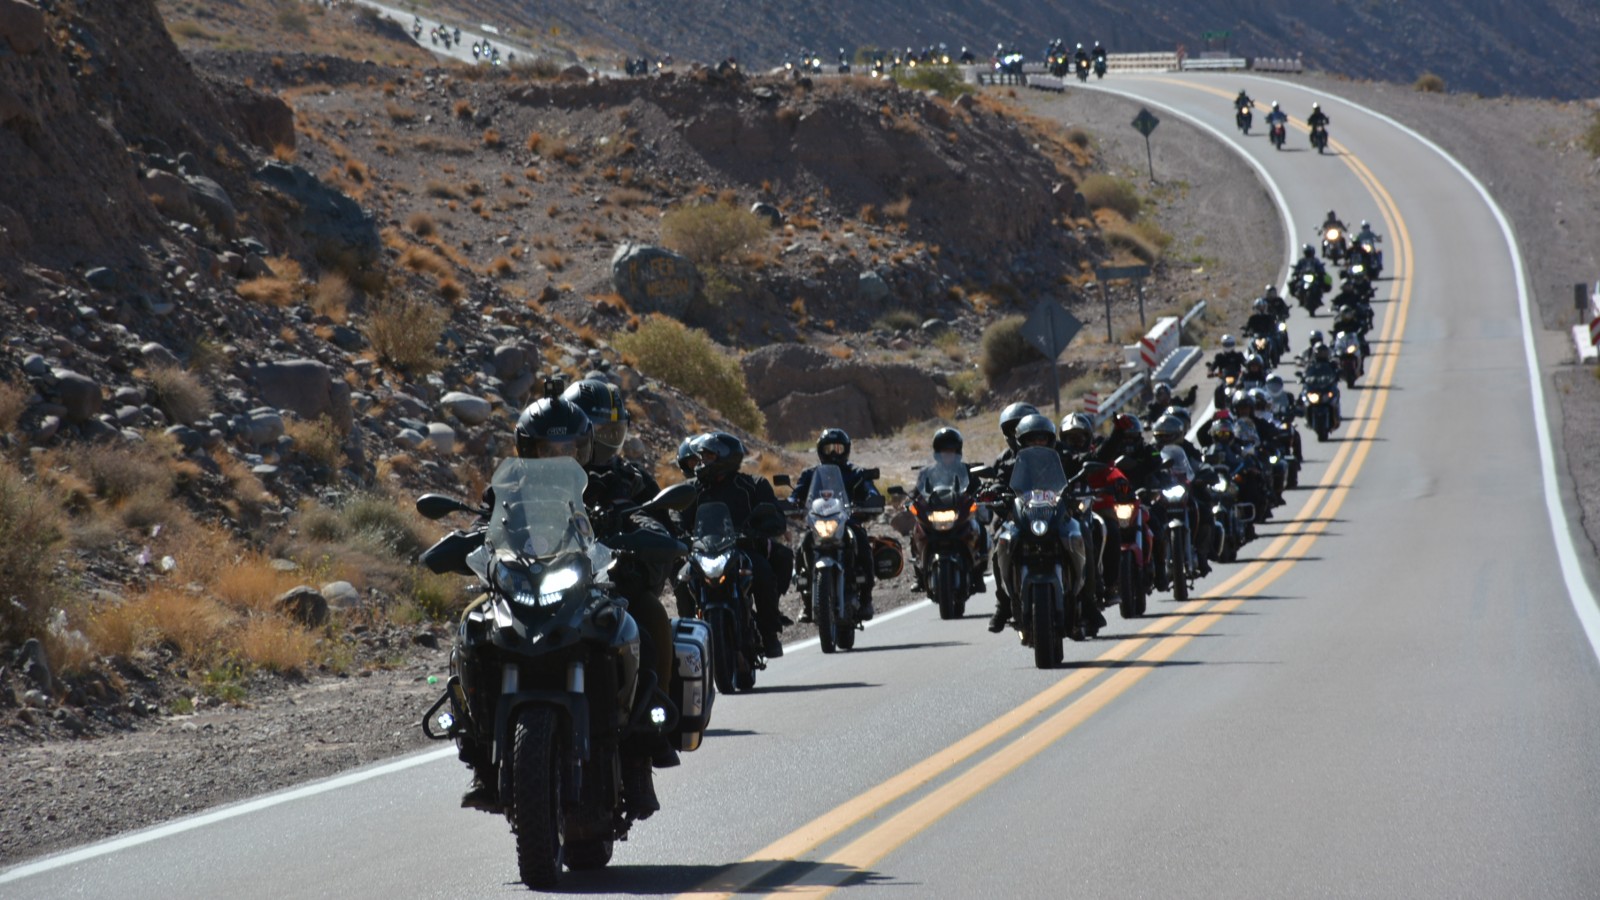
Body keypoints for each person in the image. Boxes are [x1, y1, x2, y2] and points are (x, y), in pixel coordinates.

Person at [675, 432, 792, 659]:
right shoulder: (693, 488)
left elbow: (774, 513)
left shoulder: (752, 485)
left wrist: (764, 526)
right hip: (704, 553)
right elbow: (677, 515)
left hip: (741, 551)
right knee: (682, 580)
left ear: (725, 458)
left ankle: (769, 633)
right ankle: (687, 639)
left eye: (708, 456)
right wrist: (675, 533)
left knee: (764, 573)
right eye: (702, 457)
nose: (702, 462)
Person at [789, 428, 884, 623]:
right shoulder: (810, 474)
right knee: (803, 547)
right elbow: (796, 495)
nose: (833, 453)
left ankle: (866, 599)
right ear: (820, 450)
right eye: (829, 449)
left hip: (847, 521)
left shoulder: (855, 472)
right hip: (818, 522)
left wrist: (871, 500)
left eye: (838, 449)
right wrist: (790, 503)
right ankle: (807, 601)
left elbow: (870, 490)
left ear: (846, 450)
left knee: (862, 541)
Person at [909, 426, 989, 593]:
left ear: (958, 452)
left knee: (980, 528)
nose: (947, 455)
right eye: (944, 451)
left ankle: (978, 572)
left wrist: (981, 495)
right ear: (937, 453)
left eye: (951, 451)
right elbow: (917, 492)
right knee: (916, 531)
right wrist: (910, 499)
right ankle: (918, 574)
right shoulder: (927, 472)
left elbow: (978, 489)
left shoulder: (967, 470)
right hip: (935, 514)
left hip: (958, 513)